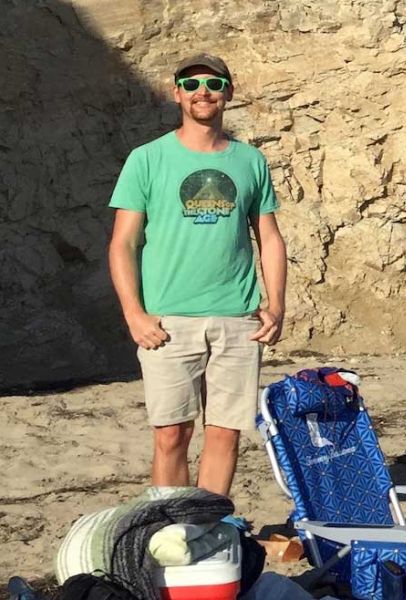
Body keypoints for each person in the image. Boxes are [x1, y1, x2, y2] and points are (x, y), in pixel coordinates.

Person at [106, 53, 288, 497]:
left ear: (227, 91)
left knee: (225, 434)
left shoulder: (250, 161)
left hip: (237, 319)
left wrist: (277, 305)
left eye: (212, 82)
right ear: (176, 95)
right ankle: (167, 532)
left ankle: (209, 533)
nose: (201, 91)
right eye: (190, 84)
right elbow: (123, 244)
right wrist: (134, 314)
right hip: (168, 322)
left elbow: (270, 237)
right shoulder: (147, 159)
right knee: (171, 435)